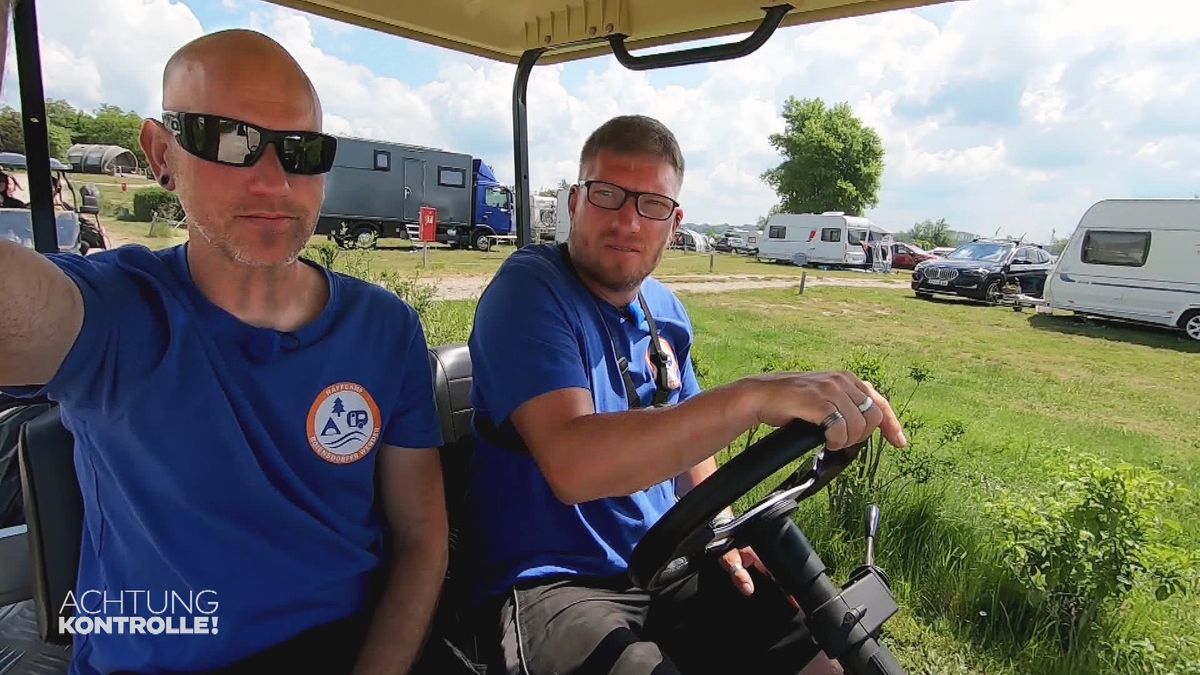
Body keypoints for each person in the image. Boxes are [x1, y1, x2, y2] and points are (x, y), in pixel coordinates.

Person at [0, 30, 448, 675]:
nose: (273, 181)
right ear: (161, 152)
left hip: (345, 647)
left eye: (301, 151)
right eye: (226, 139)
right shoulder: (113, 315)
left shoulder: (386, 329)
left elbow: (422, 536)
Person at [466, 114, 907, 675]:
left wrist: (724, 531)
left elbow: (693, 450)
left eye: (650, 204)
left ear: (673, 223)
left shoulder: (665, 313)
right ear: (574, 202)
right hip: (555, 582)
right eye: (607, 195)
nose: (628, 220)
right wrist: (749, 398)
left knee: (823, 654)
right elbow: (573, 465)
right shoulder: (529, 293)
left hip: (666, 560)